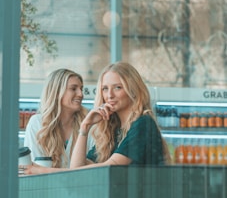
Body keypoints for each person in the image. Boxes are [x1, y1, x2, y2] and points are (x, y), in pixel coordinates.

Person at [21, 62, 169, 175]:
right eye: (105, 88)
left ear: (133, 89)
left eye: (117, 87)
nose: (109, 95)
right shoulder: (114, 131)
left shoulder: (143, 124)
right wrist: (84, 128)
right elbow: (78, 169)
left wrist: (41, 171)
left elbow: (106, 167)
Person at [22, 68, 88, 171]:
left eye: (81, 89)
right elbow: (33, 170)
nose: (81, 94)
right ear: (57, 92)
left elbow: (92, 169)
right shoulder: (37, 123)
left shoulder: (87, 124)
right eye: (73, 89)